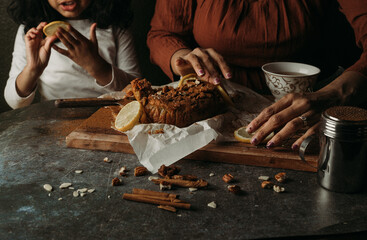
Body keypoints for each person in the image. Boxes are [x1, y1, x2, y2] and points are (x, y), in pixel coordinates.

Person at [147, 0, 367, 150]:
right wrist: (183, 58)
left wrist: (336, 94)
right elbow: (163, 34)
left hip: (308, 121)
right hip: (214, 122)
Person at [4, 0, 141, 109]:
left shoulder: (116, 27)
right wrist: (32, 69)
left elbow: (137, 92)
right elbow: (15, 102)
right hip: (54, 122)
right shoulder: (31, 32)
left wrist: (96, 66)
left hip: (109, 118)